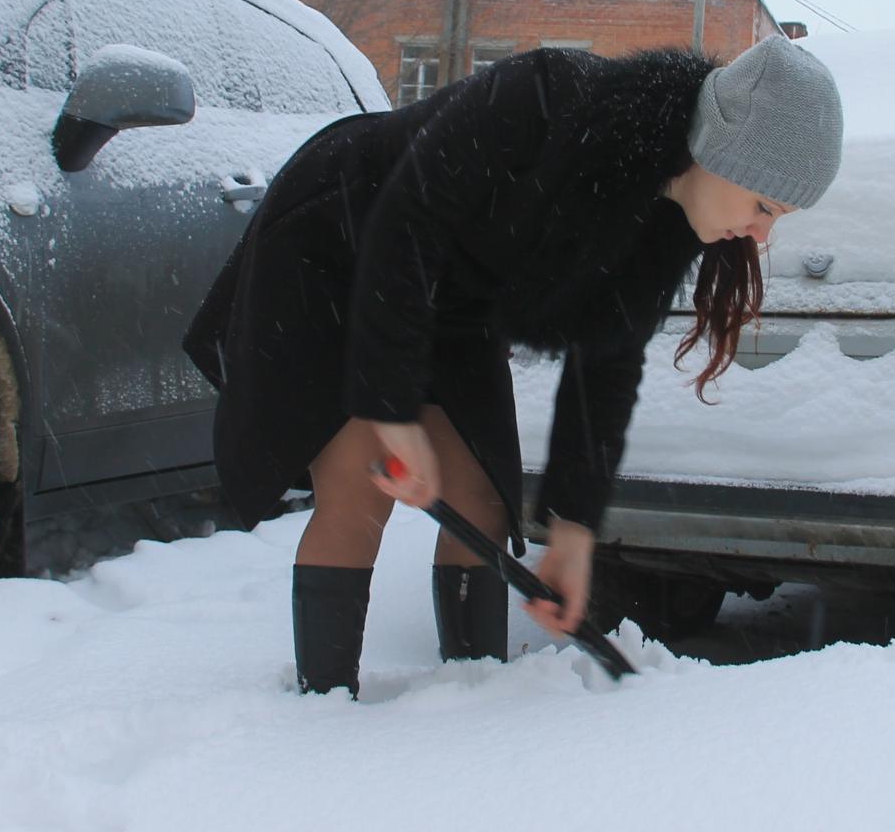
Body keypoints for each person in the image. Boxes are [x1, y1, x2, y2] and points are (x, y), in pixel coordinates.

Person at [184, 35, 843, 695]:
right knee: (361, 488)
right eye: (763, 206)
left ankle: (479, 708)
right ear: (720, 146)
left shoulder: (669, 221)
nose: (763, 236)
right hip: (344, 240)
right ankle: (323, 713)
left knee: (479, 498)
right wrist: (389, 404)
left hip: (452, 296)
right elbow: (407, 220)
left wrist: (574, 527)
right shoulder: (547, 97)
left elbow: (608, 360)